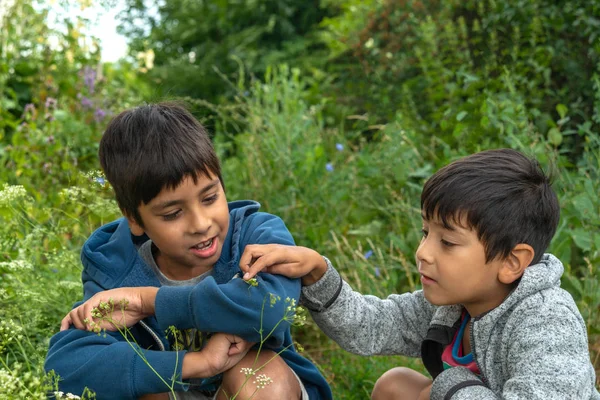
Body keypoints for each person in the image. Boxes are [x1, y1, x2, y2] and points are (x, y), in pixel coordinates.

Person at [239, 149, 600, 399]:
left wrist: (452, 385)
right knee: (396, 387)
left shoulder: (547, 321)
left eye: (448, 242)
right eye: (426, 232)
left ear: (511, 262)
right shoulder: (456, 306)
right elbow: (369, 327)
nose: (423, 253)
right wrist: (317, 272)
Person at [44, 102, 332, 400]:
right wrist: (199, 363)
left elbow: (269, 310)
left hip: (248, 388)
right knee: (140, 386)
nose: (200, 224)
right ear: (134, 218)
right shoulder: (114, 264)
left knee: (262, 379)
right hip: (174, 391)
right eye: (172, 214)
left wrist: (147, 301)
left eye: (209, 198)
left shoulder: (256, 236)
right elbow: (66, 368)